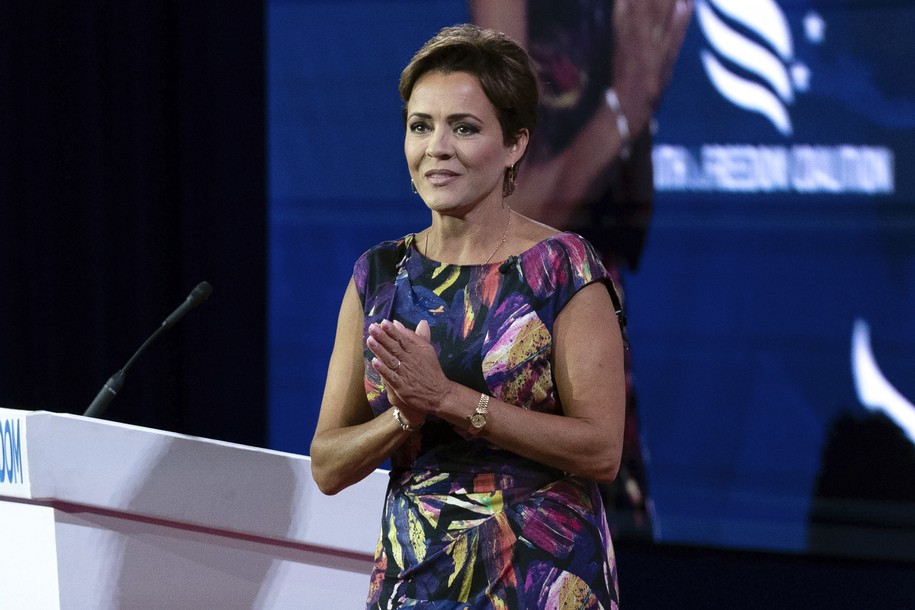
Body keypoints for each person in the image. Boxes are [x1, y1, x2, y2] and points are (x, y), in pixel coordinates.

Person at [310, 23, 627, 608]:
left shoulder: (561, 267)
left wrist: (448, 400)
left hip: (540, 577)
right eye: (420, 126)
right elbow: (327, 464)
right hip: (419, 580)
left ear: (515, 144)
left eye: (465, 128)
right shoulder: (379, 276)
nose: (437, 148)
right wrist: (403, 416)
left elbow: (601, 450)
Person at [471, 0, 693, 539]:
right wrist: (623, 105)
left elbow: (630, 228)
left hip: (595, 334)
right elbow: (508, 214)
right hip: (521, 345)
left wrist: (639, 99)